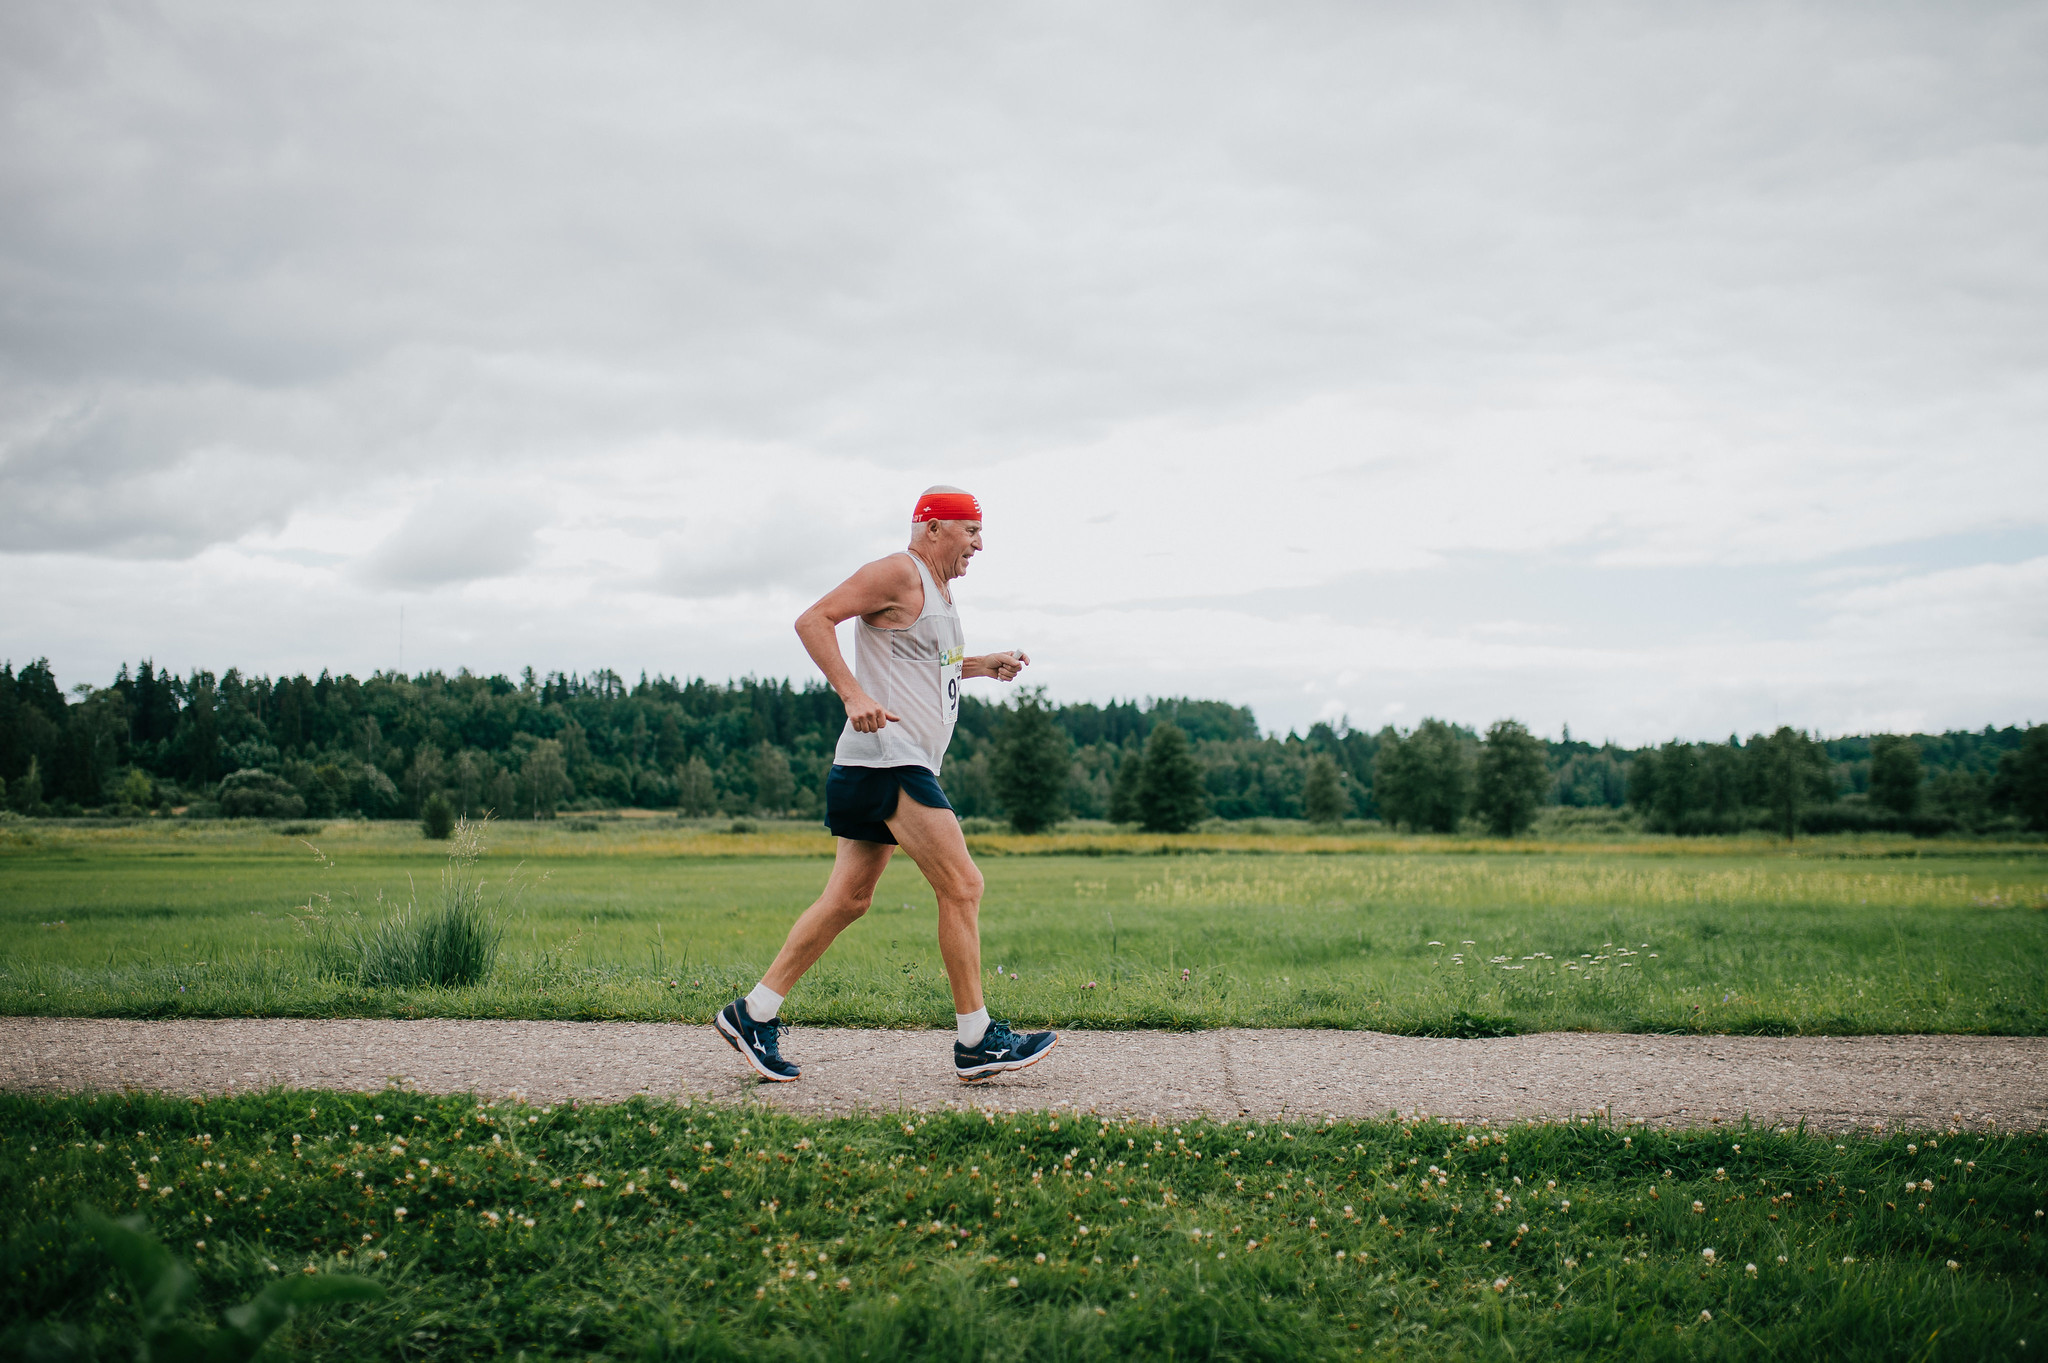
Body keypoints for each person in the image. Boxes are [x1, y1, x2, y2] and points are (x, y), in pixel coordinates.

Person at [713, 486, 1059, 1084]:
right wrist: (852, 694)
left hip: (880, 761)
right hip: (889, 759)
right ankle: (976, 1038)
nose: (979, 544)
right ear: (931, 529)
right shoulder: (899, 572)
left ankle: (753, 1012)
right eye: (970, 531)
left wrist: (980, 664)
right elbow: (812, 619)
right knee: (963, 885)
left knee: (849, 900)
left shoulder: (939, 594)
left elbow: (924, 664)